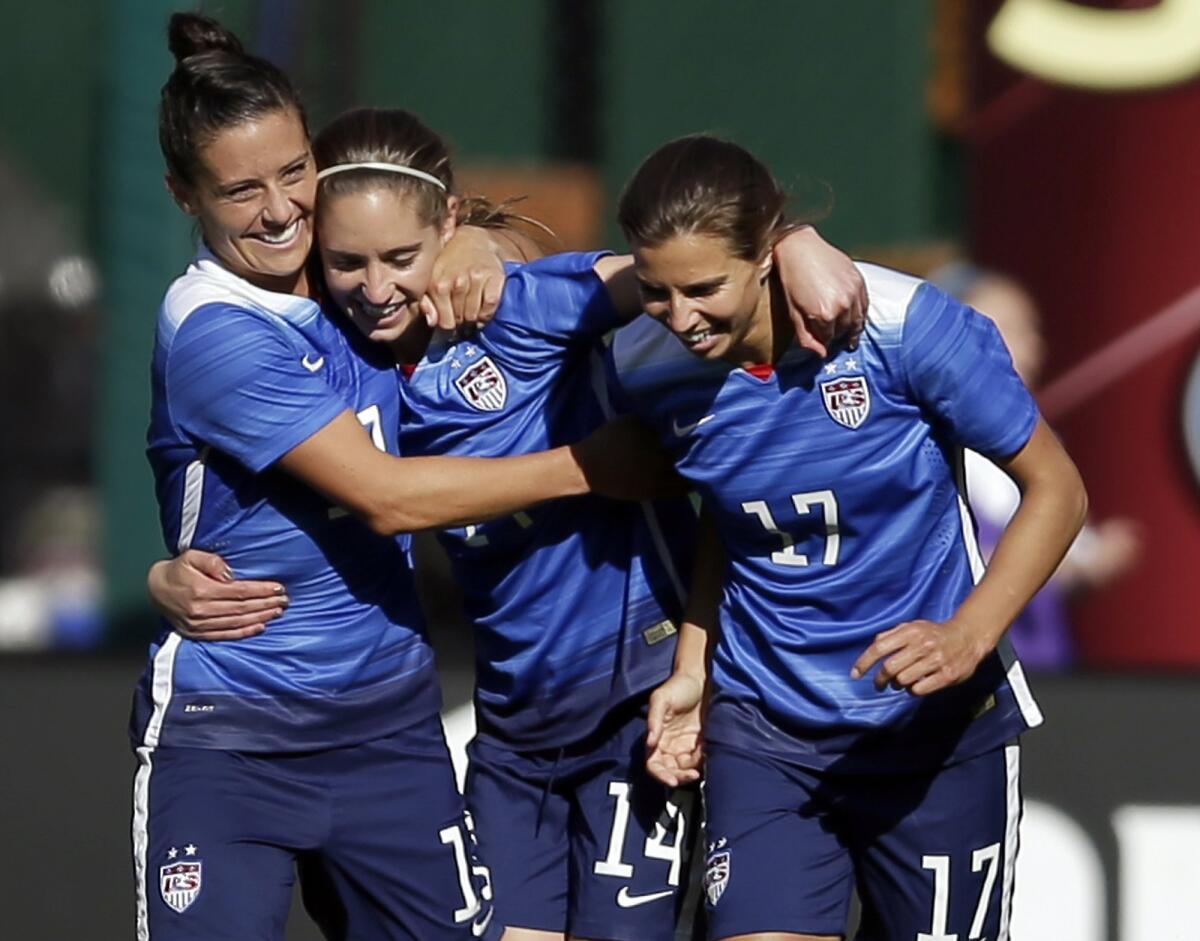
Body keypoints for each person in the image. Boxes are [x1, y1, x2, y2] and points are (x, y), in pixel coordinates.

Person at [147, 103, 867, 941]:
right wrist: (172, 571)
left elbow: (684, 270)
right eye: (348, 260)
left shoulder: (520, 306)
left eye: (402, 257)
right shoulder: (341, 354)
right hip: (513, 730)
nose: (377, 287)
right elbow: (330, 487)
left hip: (634, 709)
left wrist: (792, 242)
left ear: (446, 223)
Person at [134, 15, 681, 941]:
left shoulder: (346, 271)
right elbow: (386, 495)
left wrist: (477, 248)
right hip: (232, 736)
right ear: (182, 195)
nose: (277, 211)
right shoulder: (217, 328)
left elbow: (428, 226)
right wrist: (590, 467)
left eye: (293, 173)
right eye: (238, 190)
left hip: (392, 731)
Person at [608, 136, 1088, 941]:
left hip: (936, 738)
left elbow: (1060, 489)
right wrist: (693, 669)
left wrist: (969, 633)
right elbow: (731, 522)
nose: (681, 319)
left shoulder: (907, 329)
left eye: (701, 289)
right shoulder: (647, 368)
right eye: (656, 292)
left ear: (763, 254)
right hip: (768, 731)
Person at [932, 261, 1141, 670]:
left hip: (1045, 670)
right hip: (968, 674)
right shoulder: (926, 445)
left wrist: (1087, 559)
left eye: (1032, 330)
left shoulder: (1039, 442)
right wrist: (1073, 563)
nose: (1030, 346)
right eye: (1008, 327)